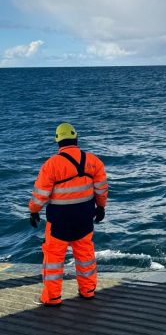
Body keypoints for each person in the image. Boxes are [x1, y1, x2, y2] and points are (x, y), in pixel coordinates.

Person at [29, 123, 108, 306]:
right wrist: (101, 207)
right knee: (85, 255)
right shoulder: (93, 161)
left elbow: (40, 195)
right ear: (76, 138)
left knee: (54, 260)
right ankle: (88, 291)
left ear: (58, 141)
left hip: (59, 222)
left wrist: (33, 211)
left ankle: (52, 298)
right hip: (84, 219)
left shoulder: (51, 165)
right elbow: (101, 189)